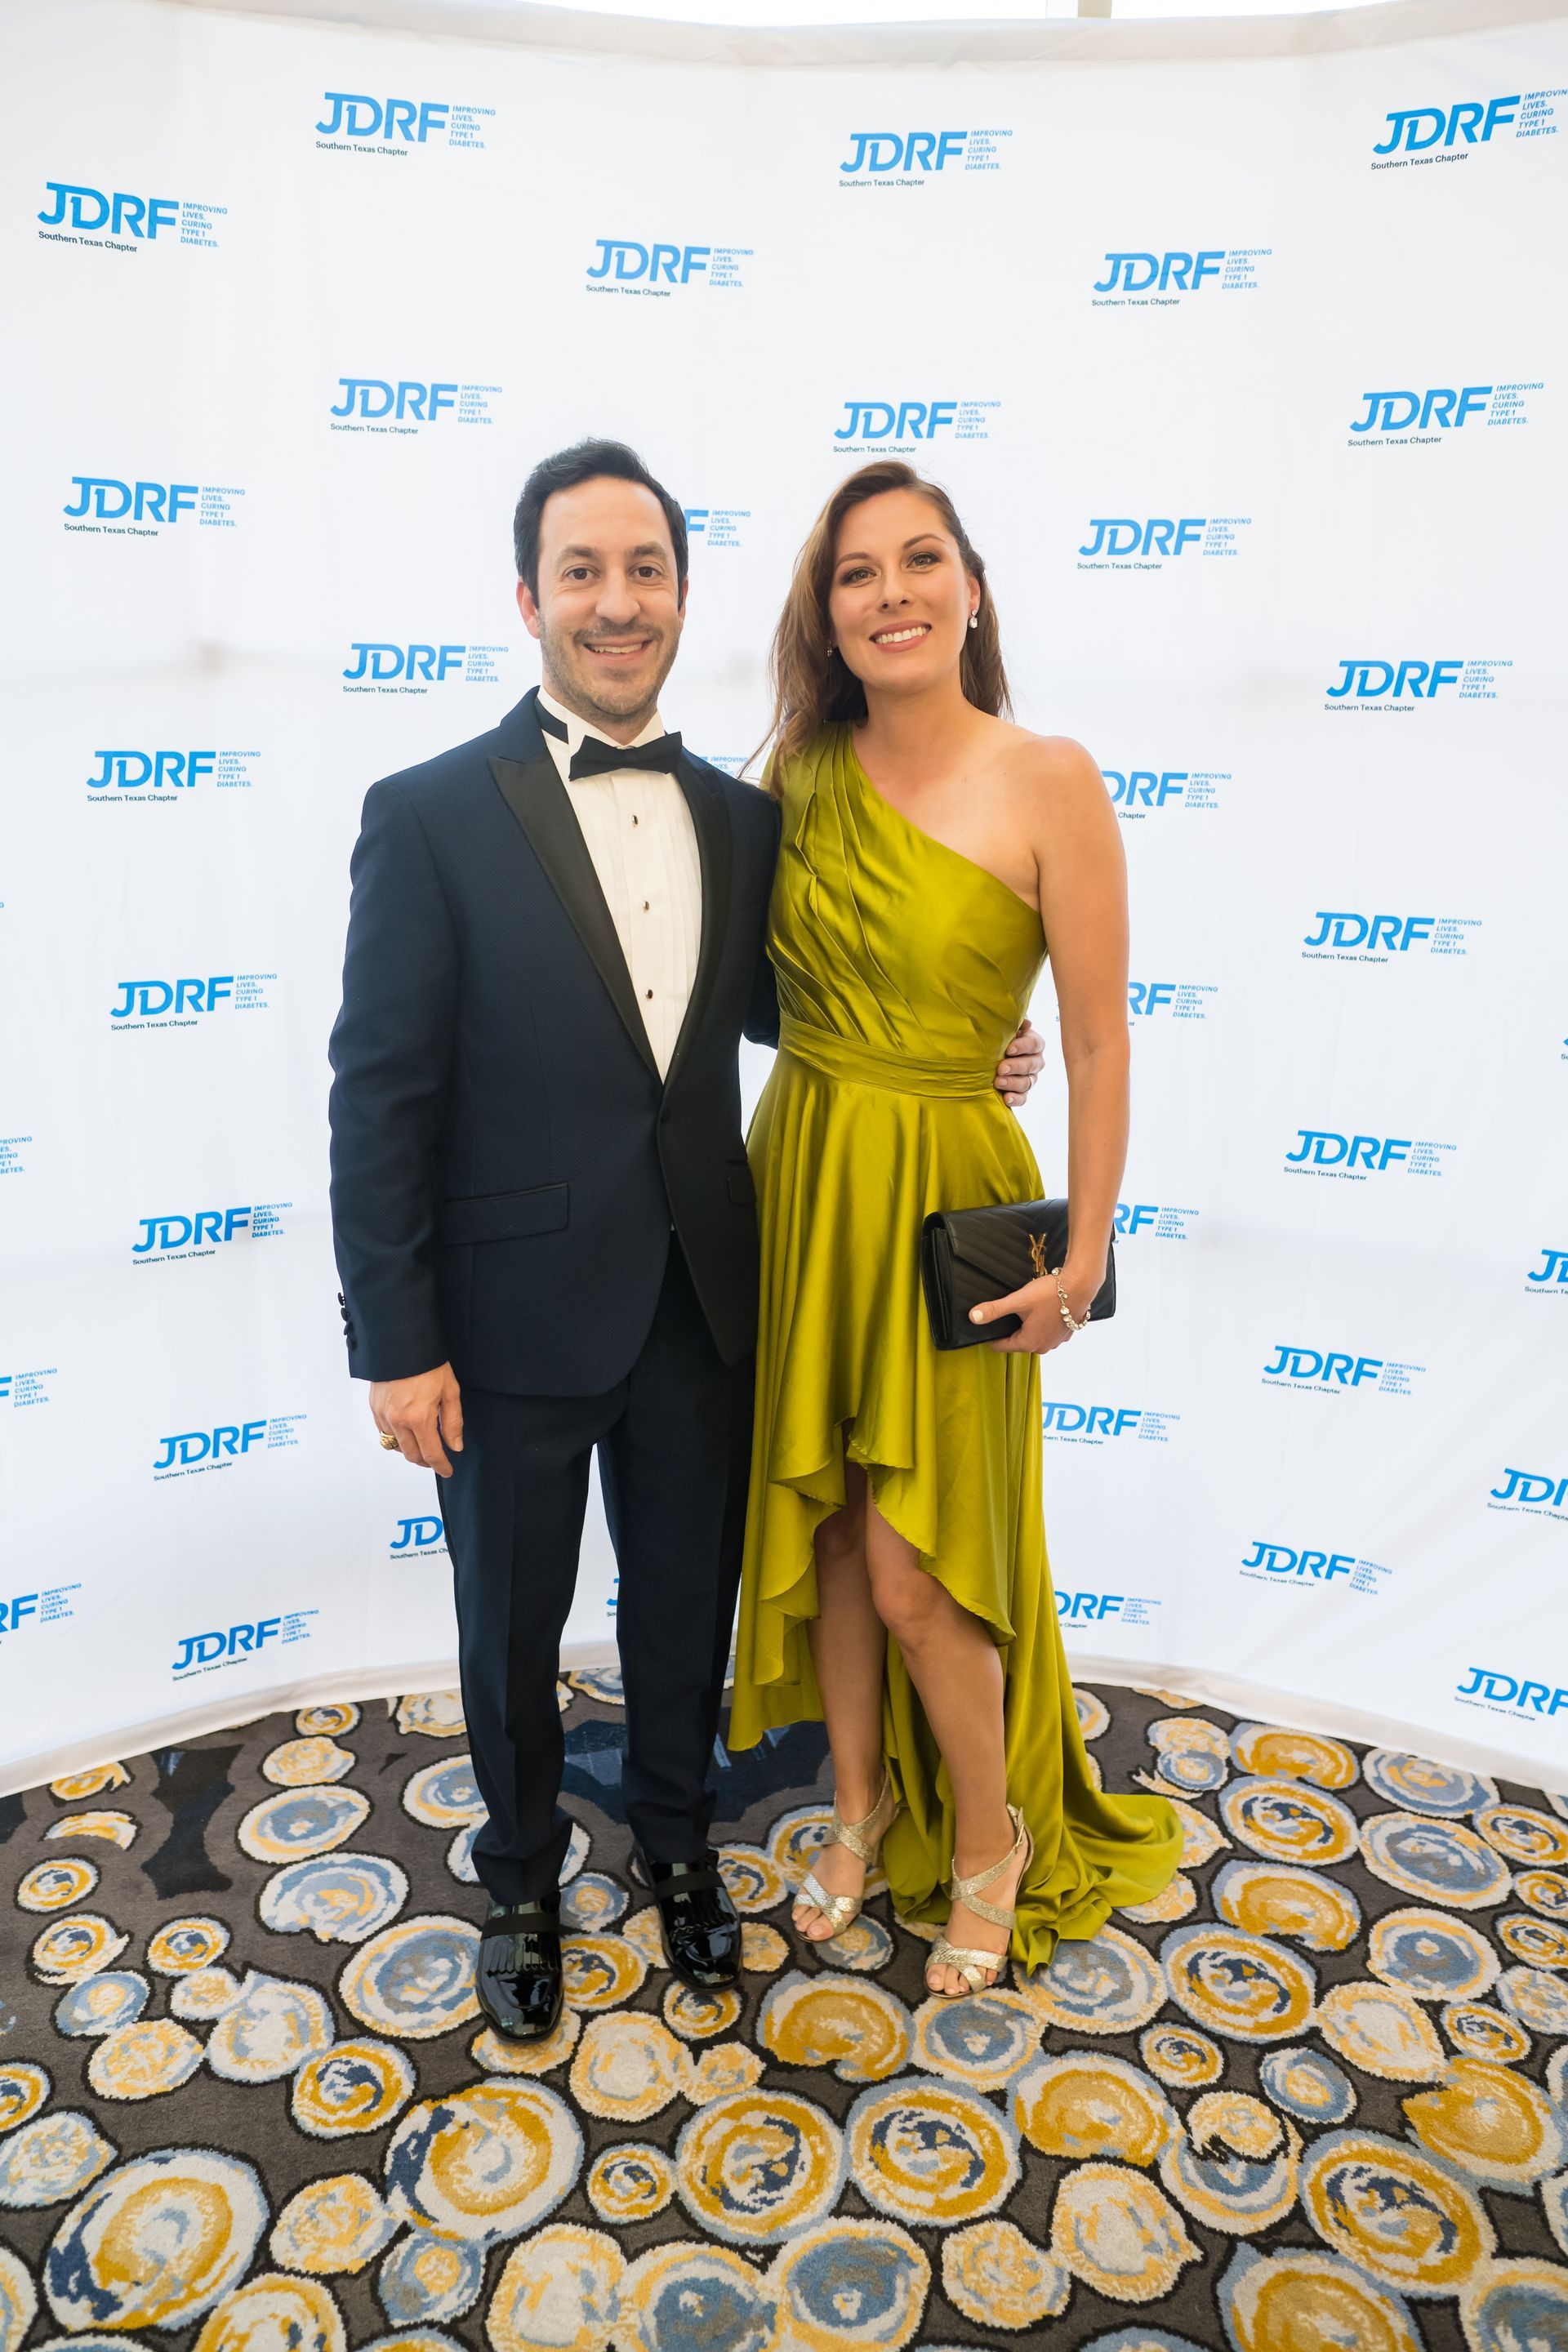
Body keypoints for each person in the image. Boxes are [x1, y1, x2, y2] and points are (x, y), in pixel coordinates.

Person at [327, 439, 1044, 2041]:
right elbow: (377, 1095)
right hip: (501, 1320)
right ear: (529, 598)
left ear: (680, 595)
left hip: (711, 1299)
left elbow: (821, 1011)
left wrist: (984, 1044)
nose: (617, 601)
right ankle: (517, 1875)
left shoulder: (743, 816)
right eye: (581, 570)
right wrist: (397, 1339)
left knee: (682, 1608)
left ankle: (673, 1846)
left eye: (644, 570)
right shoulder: (428, 813)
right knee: (505, 1623)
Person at [728, 461, 1181, 1995]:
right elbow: (749, 997)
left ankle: (990, 1844)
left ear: (972, 588)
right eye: (859, 573)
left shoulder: (1051, 774)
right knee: (842, 1531)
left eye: (922, 561)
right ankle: (852, 1813)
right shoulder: (793, 777)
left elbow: (1104, 1040)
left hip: (949, 1203)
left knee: (925, 1564)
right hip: (806, 1166)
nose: (894, 592)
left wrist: (1089, 1252)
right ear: (828, 615)